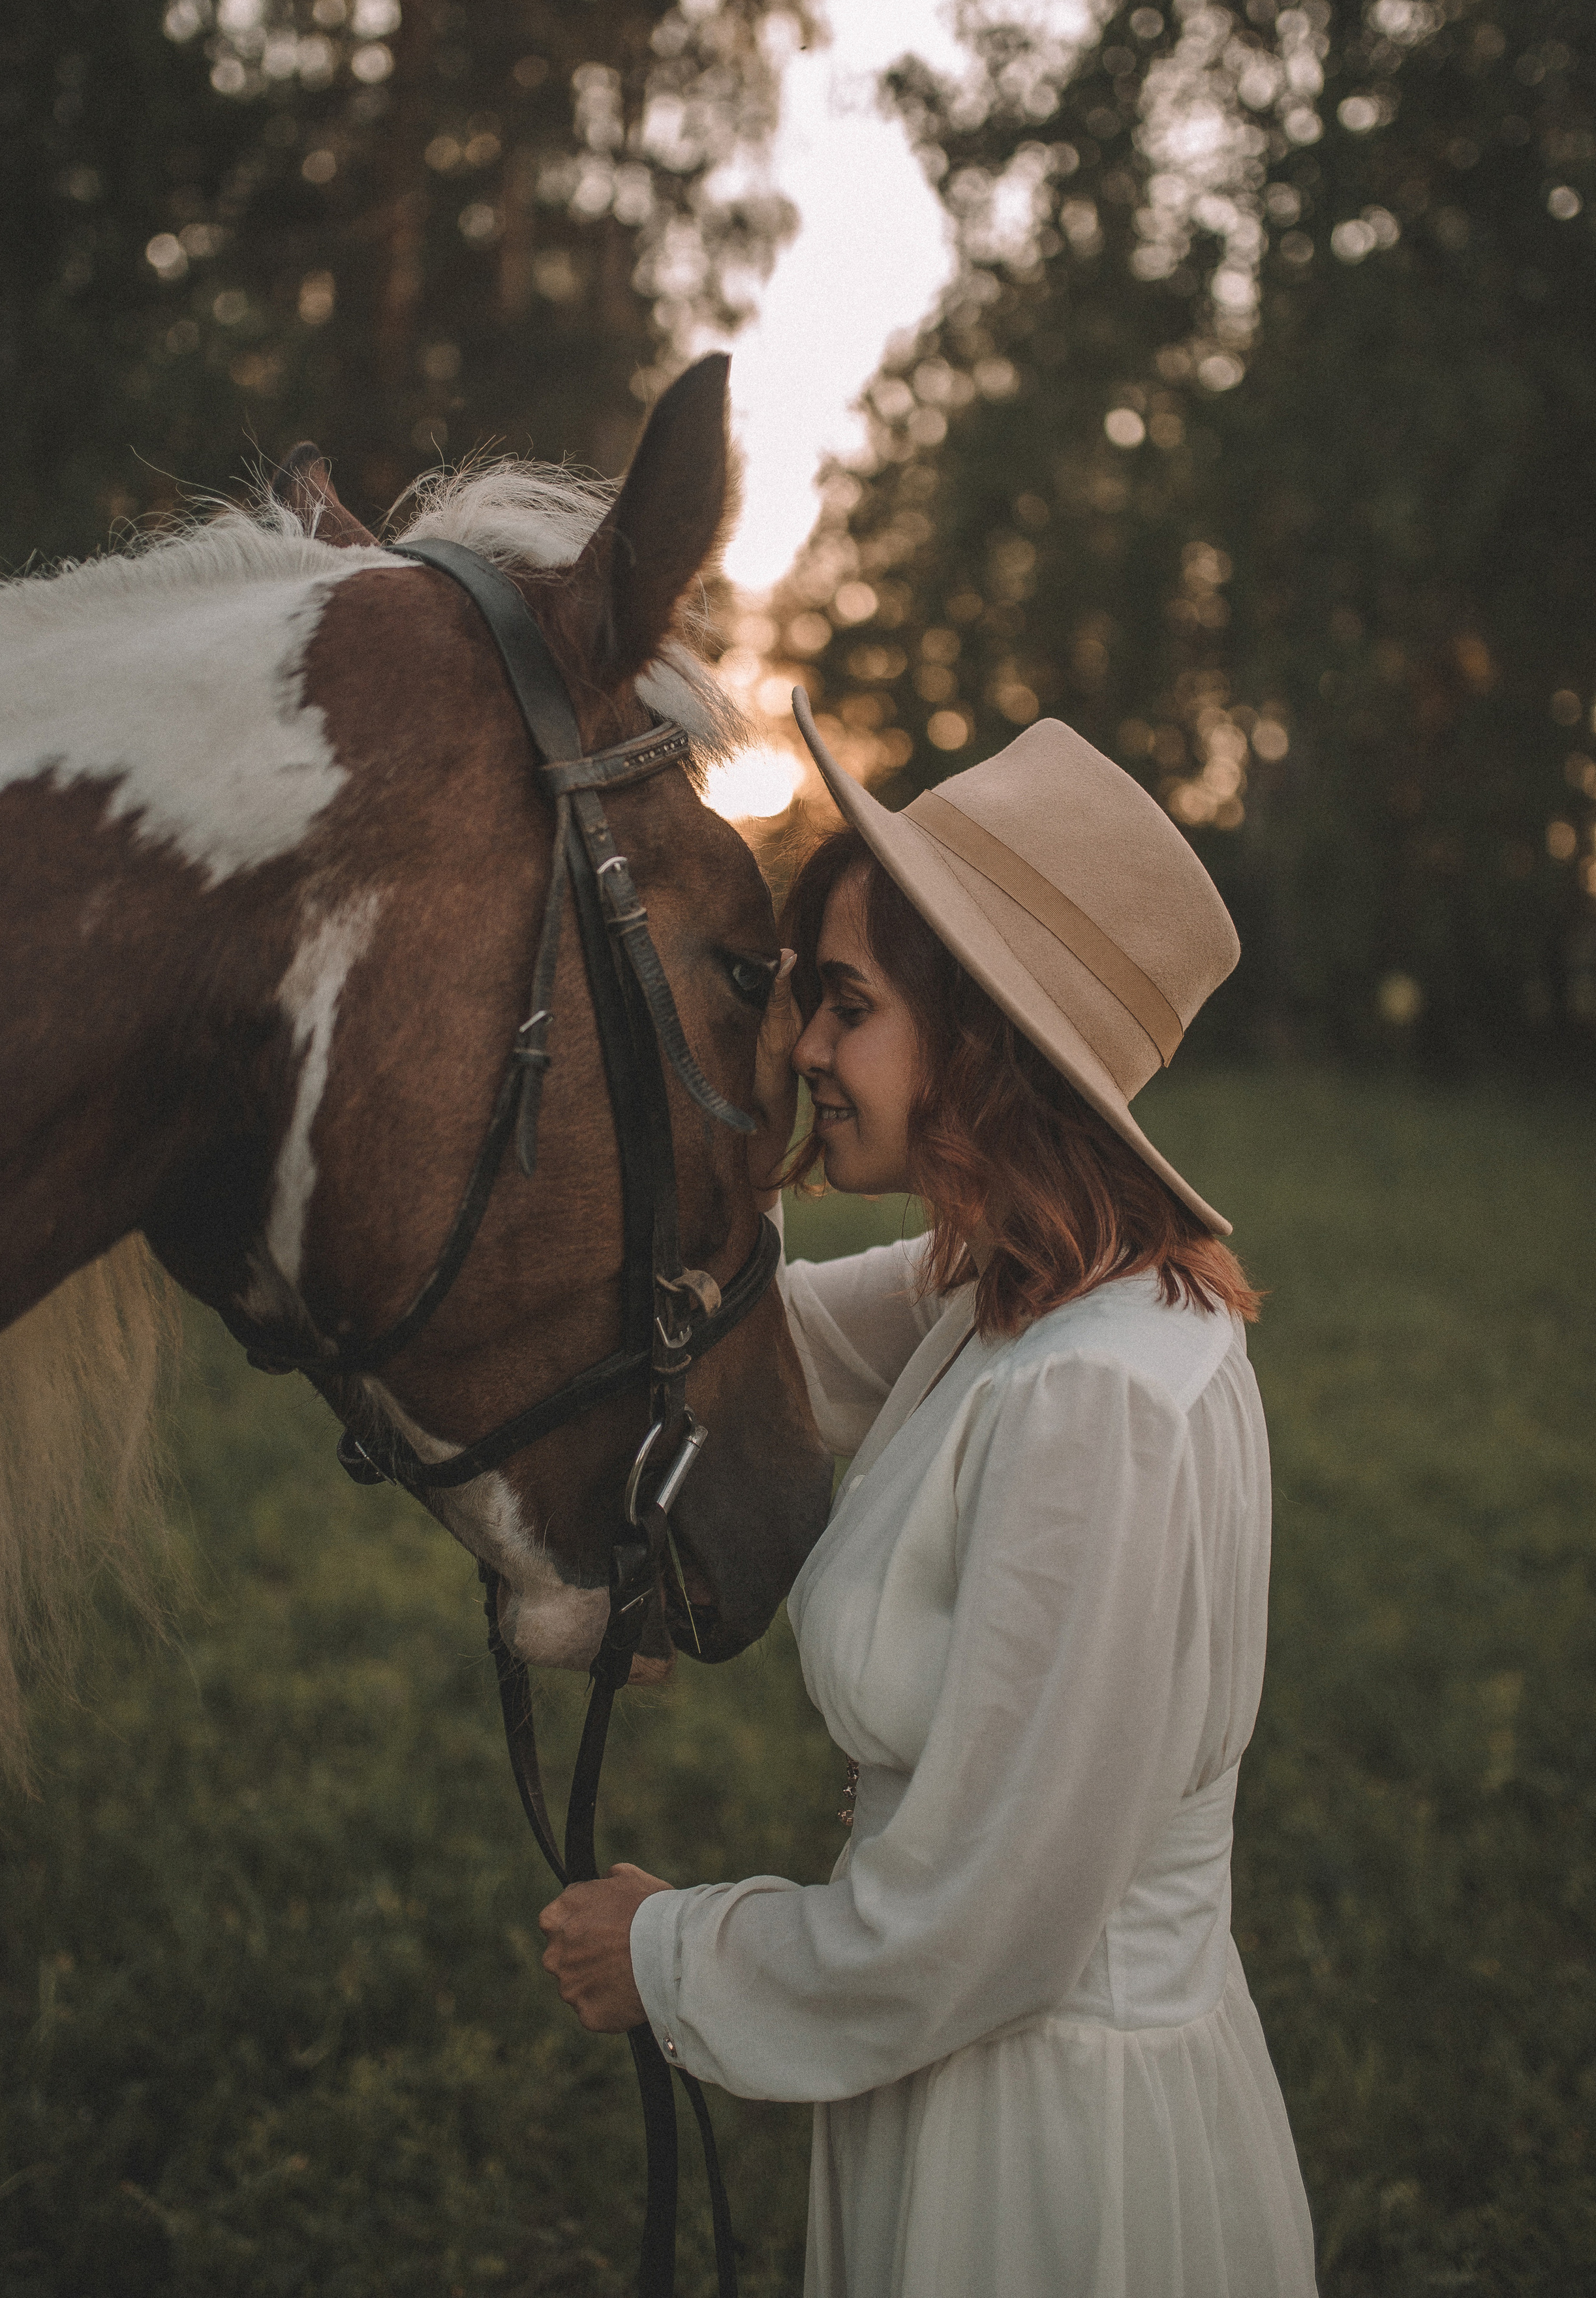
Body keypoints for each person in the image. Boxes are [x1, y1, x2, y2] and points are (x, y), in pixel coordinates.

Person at [539, 691, 1319, 2297]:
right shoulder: (996, 1298)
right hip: (964, 2095)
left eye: (844, 1007)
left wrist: (668, 1953)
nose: (805, 1050)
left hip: (1048, 2160)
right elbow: (729, 1347)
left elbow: (981, 1918)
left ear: (982, 1042)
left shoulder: (1096, 1397)